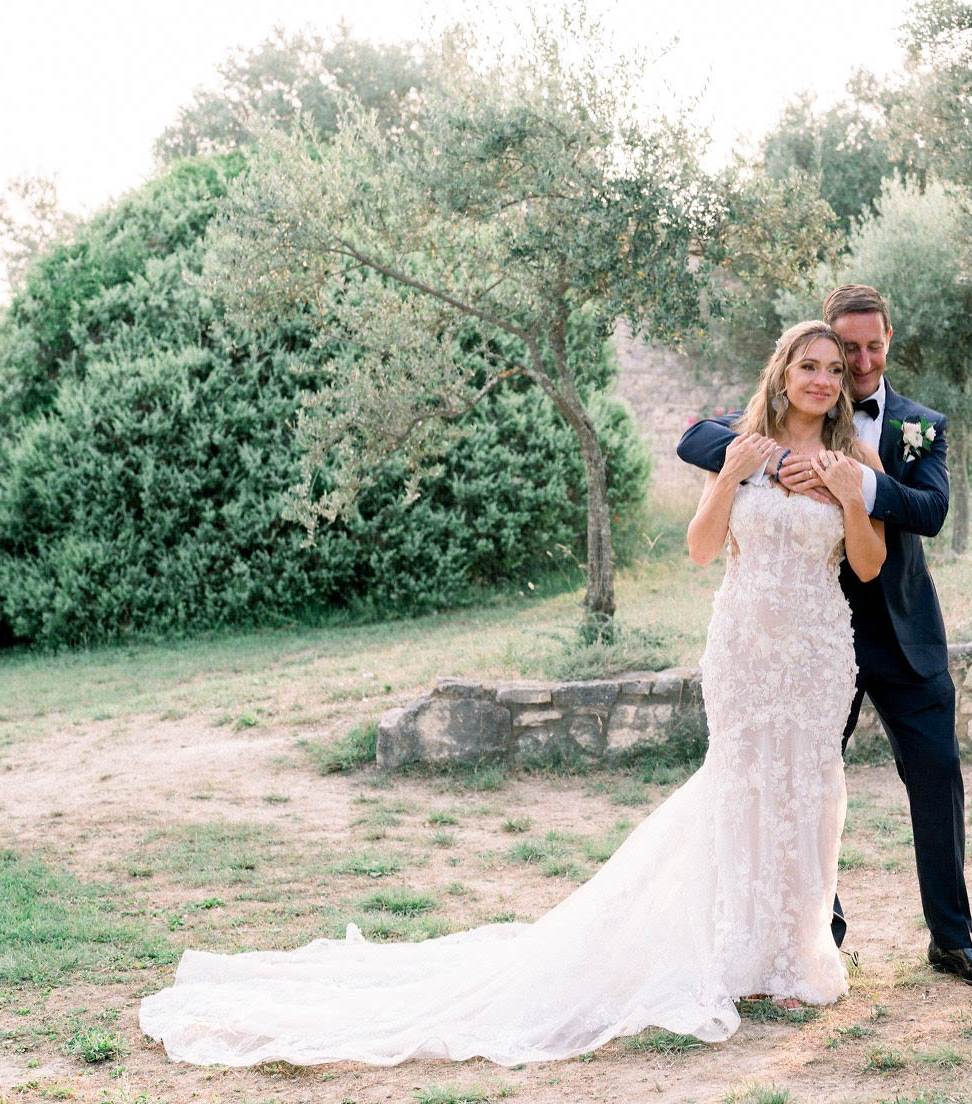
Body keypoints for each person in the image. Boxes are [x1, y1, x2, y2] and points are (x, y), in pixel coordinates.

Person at [138, 321, 886, 1067]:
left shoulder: (855, 456)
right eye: (807, 366)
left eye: (831, 369)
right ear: (782, 372)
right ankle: (742, 961)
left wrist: (851, 496)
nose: (821, 379)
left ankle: (797, 964)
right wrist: (730, 475)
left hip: (817, 649)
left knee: (810, 792)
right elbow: (698, 548)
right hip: (746, 648)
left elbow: (869, 564)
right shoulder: (743, 449)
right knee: (743, 789)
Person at [676, 284, 972, 986]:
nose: (851, 366)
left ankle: (953, 940)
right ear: (810, 351)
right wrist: (773, 463)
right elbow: (697, 437)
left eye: (868, 349)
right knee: (793, 779)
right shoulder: (781, 416)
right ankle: (808, 937)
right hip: (789, 638)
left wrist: (853, 483)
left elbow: (931, 510)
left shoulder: (919, 425)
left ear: (888, 343)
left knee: (935, 777)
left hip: (894, 633)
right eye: (838, 351)